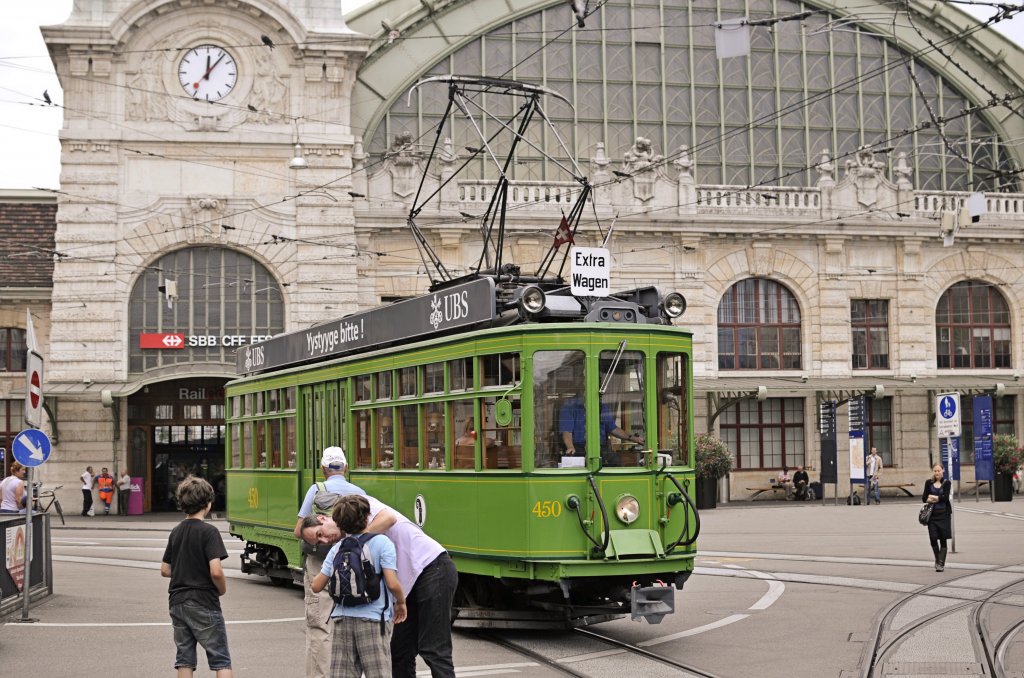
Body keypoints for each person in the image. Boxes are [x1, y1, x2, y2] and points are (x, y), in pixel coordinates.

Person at [301, 496, 457, 678]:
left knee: (434, 649)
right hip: (407, 586)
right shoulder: (345, 544)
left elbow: (389, 518)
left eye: (320, 534)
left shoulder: (359, 506)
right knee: (399, 652)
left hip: (431, 567)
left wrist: (359, 539)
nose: (325, 540)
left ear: (323, 518)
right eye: (319, 543)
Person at [310, 495, 407, 678]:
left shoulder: (338, 548)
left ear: (340, 524)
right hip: (373, 619)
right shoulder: (382, 543)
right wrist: (401, 602)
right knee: (378, 673)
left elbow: (316, 586)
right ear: (367, 516)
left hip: (342, 619)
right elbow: (392, 583)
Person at [293, 446, 367, 678]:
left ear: (323, 469)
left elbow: (298, 531)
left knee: (319, 626)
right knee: (351, 622)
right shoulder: (358, 492)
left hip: (319, 564)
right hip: (351, 563)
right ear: (346, 468)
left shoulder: (316, 489)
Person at [160, 476, 232, 677]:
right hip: (203, 601)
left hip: (177, 602)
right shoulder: (209, 532)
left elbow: (165, 569)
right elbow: (216, 571)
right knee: (221, 659)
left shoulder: (176, 531)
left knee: (184, 658)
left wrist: (186, 570)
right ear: (208, 504)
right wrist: (222, 589)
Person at [559, 396, 643, 467]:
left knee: (617, 465)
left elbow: (613, 428)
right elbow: (566, 431)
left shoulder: (602, 406)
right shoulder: (569, 405)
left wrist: (631, 438)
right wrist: (570, 447)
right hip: (578, 448)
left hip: (601, 447)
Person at [922, 463, 952, 571]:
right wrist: (937, 497)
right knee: (933, 539)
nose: (937, 473)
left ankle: (940, 564)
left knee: (943, 540)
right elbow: (924, 498)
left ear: (943, 471)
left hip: (944, 515)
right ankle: (937, 559)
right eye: (935, 471)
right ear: (933, 472)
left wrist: (933, 497)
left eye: (939, 470)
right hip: (932, 516)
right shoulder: (928, 483)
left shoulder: (947, 483)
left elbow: (945, 498)